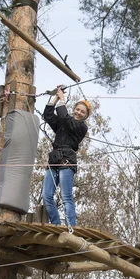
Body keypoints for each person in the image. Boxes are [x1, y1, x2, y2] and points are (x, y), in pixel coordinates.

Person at [42, 86, 91, 226]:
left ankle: (71, 227)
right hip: (54, 159)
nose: (79, 112)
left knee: (66, 196)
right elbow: (48, 116)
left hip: (67, 159)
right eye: (78, 109)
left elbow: (65, 117)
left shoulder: (81, 127)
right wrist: (56, 97)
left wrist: (62, 100)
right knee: (46, 196)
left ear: (86, 116)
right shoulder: (64, 123)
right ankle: (57, 224)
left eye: (83, 112)